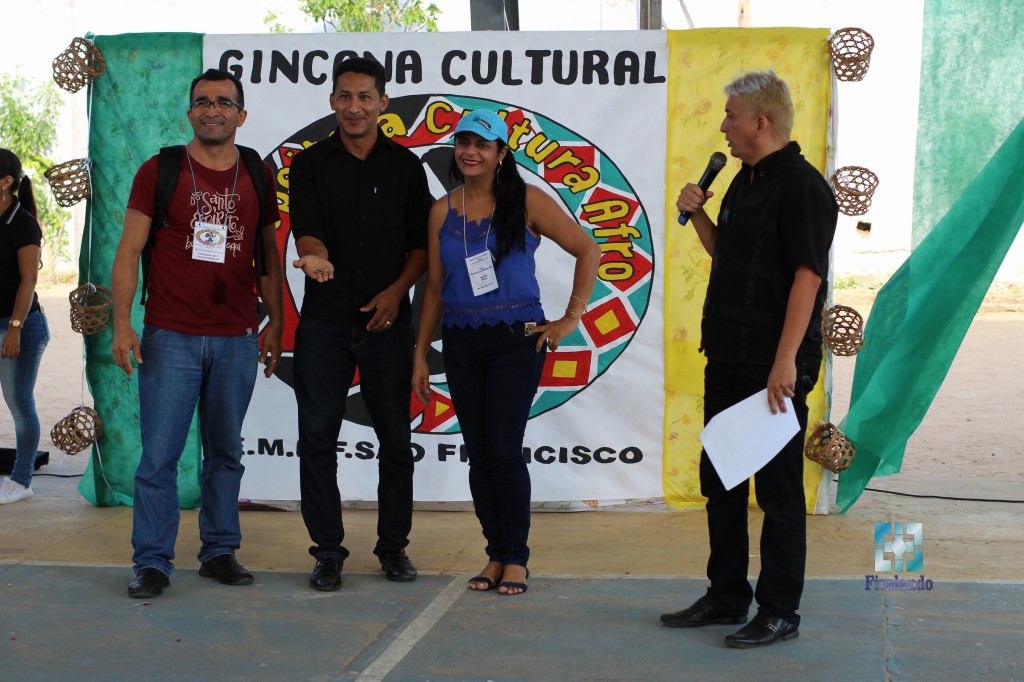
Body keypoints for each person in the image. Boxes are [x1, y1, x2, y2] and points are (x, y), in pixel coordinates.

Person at [662, 71, 837, 646]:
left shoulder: (804, 187)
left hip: (774, 364)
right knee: (722, 479)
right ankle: (726, 595)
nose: (723, 127)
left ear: (761, 122)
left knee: (778, 489)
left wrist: (785, 361)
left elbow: (808, 278)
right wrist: (699, 215)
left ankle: (780, 610)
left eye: (731, 117)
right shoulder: (743, 180)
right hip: (729, 354)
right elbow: (726, 253)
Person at [111, 68, 283, 598]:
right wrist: (122, 323)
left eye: (224, 102)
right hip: (171, 335)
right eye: (203, 101)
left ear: (241, 115)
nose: (213, 110)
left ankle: (219, 551)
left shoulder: (256, 172)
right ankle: (152, 562)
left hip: (237, 336)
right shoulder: (159, 170)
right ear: (189, 112)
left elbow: (267, 255)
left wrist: (276, 322)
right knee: (159, 458)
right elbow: (129, 251)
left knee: (225, 453)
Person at [412, 109, 600, 595]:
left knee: (502, 449)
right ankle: (495, 553)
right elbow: (434, 288)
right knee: (478, 454)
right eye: (463, 143)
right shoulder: (441, 210)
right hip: (460, 341)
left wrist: (570, 318)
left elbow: (588, 249)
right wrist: (419, 354)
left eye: (482, 144)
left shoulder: (527, 199)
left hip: (516, 339)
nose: (470, 152)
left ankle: (516, 557)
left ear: (501, 153)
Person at [288, 57, 431, 591]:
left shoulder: (406, 167)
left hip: (387, 325)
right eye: (345, 96)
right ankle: (327, 552)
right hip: (323, 324)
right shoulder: (309, 165)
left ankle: (393, 548)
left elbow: (421, 245)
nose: (354, 106)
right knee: (316, 440)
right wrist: (316, 256)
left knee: (394, 439)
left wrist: (397, 292)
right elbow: (307, 231)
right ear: (332, 102)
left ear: (382, 102)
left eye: (365, 96)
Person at [0, 149, 49, 505]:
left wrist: (15, 327)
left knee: (19, 403)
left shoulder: (22, 223)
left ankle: (21, 480)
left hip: (22, 325)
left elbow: (29, 280)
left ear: (5, 182)